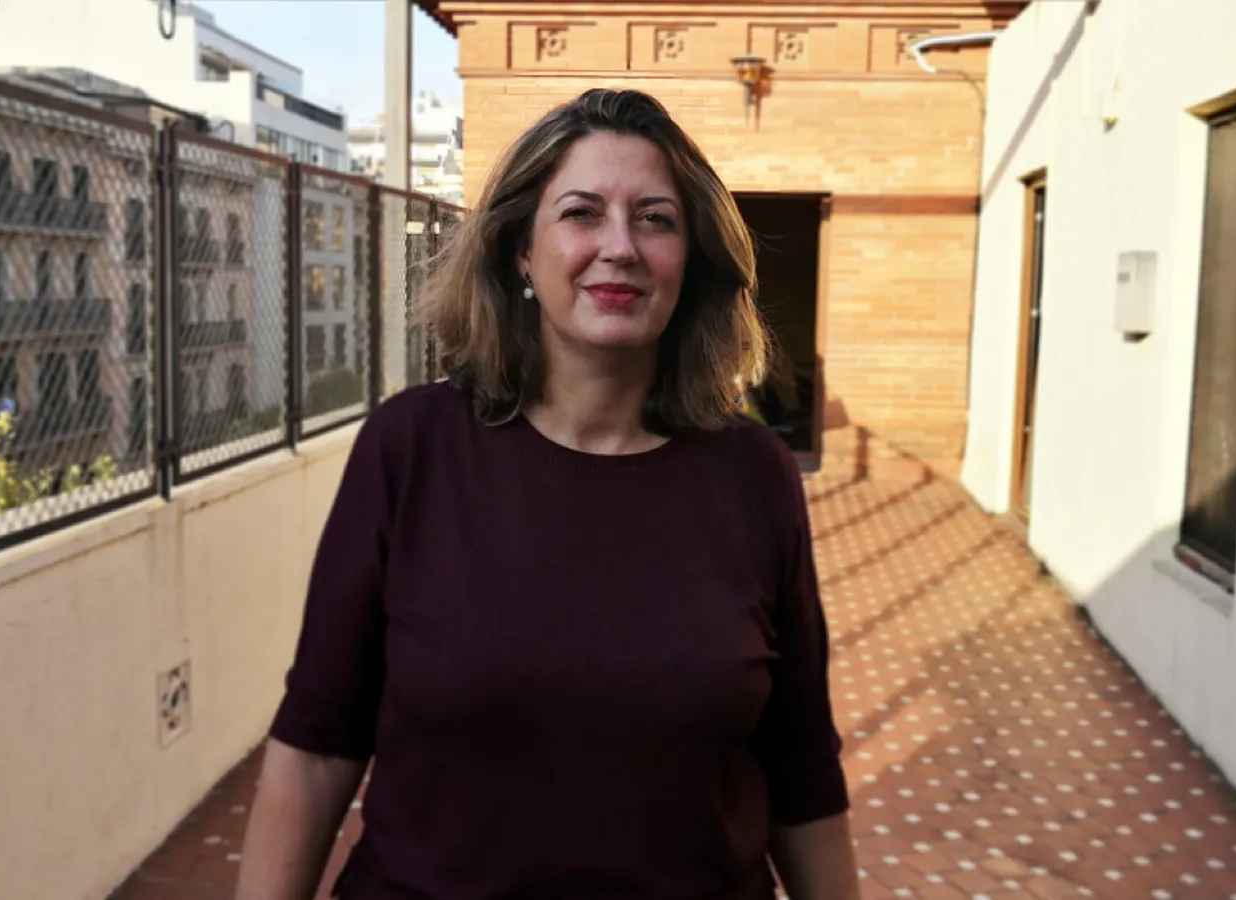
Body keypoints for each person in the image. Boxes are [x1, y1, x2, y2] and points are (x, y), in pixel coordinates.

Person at [235, 88, 859, 900]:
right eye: (581, 213)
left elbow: (801, 770)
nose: (620, 247)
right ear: (521, 253)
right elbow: (318, 747)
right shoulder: (410, 449)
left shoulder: (754, 475)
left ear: (691, 259)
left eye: (656, 219)